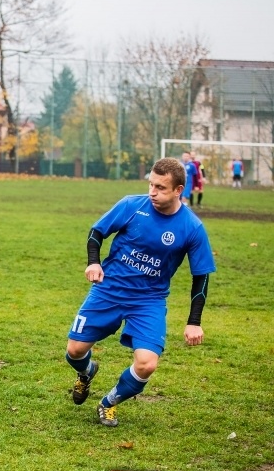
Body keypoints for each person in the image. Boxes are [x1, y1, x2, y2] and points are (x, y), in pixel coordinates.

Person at [65, 157, 215, 427]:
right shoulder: (132, 205)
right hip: (109, 290)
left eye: (160, 187)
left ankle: (108, 402)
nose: (152, 192)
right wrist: (93, 262)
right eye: (150, 184)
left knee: (147, 364)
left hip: (149, 301)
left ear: (179, 190)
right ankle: (86, 373)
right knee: (75, 350)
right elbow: (96, 232)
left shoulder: (191, 227)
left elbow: (201, 276)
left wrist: (194, 321)